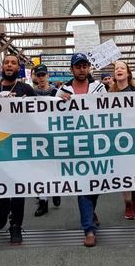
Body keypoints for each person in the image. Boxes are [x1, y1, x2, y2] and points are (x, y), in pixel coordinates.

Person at [56, 53, 106, 247]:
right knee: (83, 185)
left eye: (85, 66)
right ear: (72, 69)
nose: (82, 69)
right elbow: (46, 112)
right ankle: (89, 229)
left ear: (89, 68)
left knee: (96, 184)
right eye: (78, 66)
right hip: (73, 146)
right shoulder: (62, 90)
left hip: (96, 144)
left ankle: (90, 210)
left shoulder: (99, 88)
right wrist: (57, 98)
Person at [0, 54, 37, 244]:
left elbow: (40, 114)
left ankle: (16, 226)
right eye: (6, 62)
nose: (9, 65)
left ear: (18, 68)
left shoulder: (25, 89)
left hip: (20, 145)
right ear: (2, 66)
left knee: (18, 187)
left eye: (13, 63)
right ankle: (3, 207)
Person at [108, 61, 135, 219]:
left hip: (134, 137)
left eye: (122, 68)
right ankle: (128, 204)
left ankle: (134, 193)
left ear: (127, 73)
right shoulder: (108, 95)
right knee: (123, 171)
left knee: (133, 171)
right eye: (116, 68)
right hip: (117, 139)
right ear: (114, 74)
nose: (119, 70)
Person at [30, 63, 60, 216]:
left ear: (48, 75)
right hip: (38, 135)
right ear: (35, 77)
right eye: (38, 75)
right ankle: (43, 201)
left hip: (54, 133)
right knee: (39, 168)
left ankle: (56, 190)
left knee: (54, 165)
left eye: (43, 75)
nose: (41, 78)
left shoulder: (57, 92)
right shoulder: (32, 93)